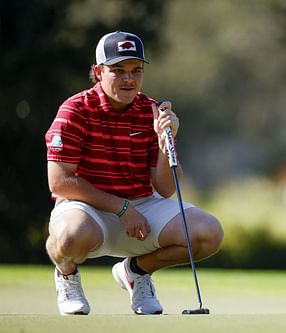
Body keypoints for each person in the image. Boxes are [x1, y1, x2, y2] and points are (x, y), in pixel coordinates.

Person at [44, 31, 224, 315]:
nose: (128, 79)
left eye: (136, 70)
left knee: (207, 233)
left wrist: (166, 143)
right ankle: (66, 274)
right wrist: (121, 207)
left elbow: (165, 190)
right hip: (85, 209)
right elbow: (60, 181)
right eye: (118, 71)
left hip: (141, 207)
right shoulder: (75, 110)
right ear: (98, 72)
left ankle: (136, 272)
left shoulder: (151, 112)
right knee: (69, 238)